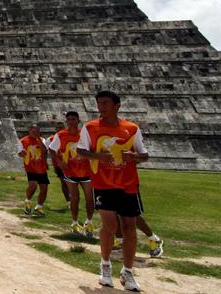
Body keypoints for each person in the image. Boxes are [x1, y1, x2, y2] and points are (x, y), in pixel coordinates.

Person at [77, 90, 149, 292]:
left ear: (117, 105)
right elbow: (80, 150)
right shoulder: (91, 127)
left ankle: (128, 271)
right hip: (103, 183)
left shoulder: (131, 128)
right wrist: (99, 156)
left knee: (129, 227)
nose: (101, 107)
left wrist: (133, 157)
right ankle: (105, 264)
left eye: (105, 103)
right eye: (99, 103)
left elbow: (144, 155)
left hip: (128, 184)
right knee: (110, 226)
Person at [48, 111, 94, 237]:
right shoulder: (61, 135)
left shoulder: (84, 134)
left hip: (86, 171)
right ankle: (74, 222)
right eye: (69, 119)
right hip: (70, 171)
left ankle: (89, 222)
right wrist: (59, 161)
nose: (71, 122)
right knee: (75, 197)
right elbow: (51, 149)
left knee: (89, 198)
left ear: (78, 121)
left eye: (73, 119)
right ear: (66, 121)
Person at [16, 124, 49, 217]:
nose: (35, 133)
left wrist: (39, 139)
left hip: (41, 167)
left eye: (37, 131)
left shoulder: (42, 140)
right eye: (33, 131)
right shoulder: (23, 141)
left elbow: (44, 151)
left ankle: (39, 207)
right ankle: (28, 202)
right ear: (29, 131)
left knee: (44, 188)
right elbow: (19, 153)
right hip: (30, 167)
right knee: (33, 185)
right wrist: (22, 153)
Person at [47, 122, 71, 209]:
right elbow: (44, 150)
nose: (59, 129)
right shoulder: (50, 139)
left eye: (61, 127)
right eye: (57, 128)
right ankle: (69, 202)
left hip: (71, 164)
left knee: (72, 183)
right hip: (58, 165)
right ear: (55, 129)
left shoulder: (69, 137)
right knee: (64, 182)